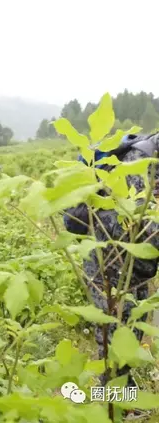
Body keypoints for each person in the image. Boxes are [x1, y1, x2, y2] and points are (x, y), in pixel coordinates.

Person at [63, 137, 157, 398]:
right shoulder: (136, 166)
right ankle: (113, 403)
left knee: (133, 329)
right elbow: (135, 227)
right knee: (116, 331)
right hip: (109, 260)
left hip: (134, 264)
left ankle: (121, 396)